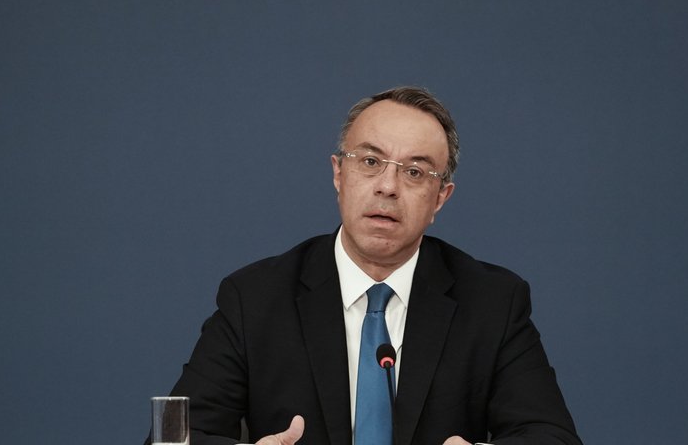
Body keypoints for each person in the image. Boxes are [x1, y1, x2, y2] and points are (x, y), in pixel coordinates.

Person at [151, 86, 582, 445]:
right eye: (371, 162)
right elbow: (171, 439)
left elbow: (551, 436)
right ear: (339, 174)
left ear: (440, 198)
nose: (388, 187)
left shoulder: (492, 302)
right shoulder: (255, 298)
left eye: (415, 172)